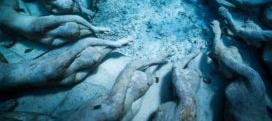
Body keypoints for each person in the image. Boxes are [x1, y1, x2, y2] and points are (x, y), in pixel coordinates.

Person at [218, 6, 272, 106]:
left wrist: (227, 15)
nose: (248, 42)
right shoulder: (269, 46)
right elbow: (245, 36)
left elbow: (238, 30)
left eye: (246, 27)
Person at [0, 37, 134, 93]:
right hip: (45, 74)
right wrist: (115, 43)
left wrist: (112, 47)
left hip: (41, 79)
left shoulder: (64, 74)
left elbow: (89, 59)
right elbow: (85, 43)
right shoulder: (51, 68)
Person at [210, 20, 267, 121]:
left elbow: (222, 55)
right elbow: (223, 56)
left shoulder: (252, 78)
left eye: (234, 55)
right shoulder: (249, 79)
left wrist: (217, 33)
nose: (219, 68)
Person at [152, 54, 200, 121]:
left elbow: (176, 68)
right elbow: (176, 68)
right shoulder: (187, 104)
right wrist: (194, 52)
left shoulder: (186, 106)